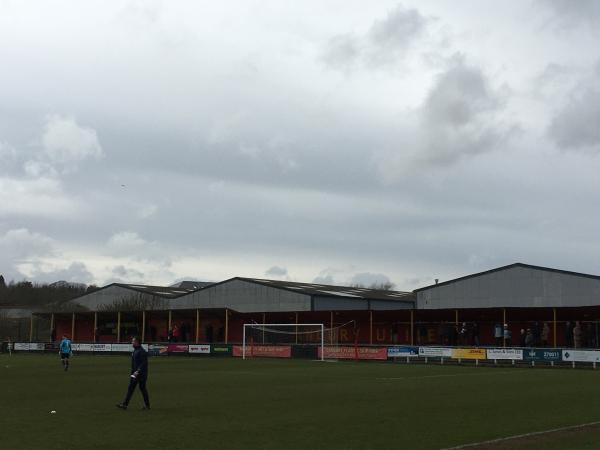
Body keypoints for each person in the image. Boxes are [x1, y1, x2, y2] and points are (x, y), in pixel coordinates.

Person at [116, 337, 150, 410]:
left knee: (140, 388)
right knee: (132, 388)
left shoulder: (141, 351)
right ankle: (125, 404)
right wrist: (133, 373)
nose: (132, 342)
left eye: (133, 341)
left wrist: (138, 371)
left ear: (137, 342)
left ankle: (126, 404)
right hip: (135, 374)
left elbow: (144, 363)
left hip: (140, 374)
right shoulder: (136, 350)